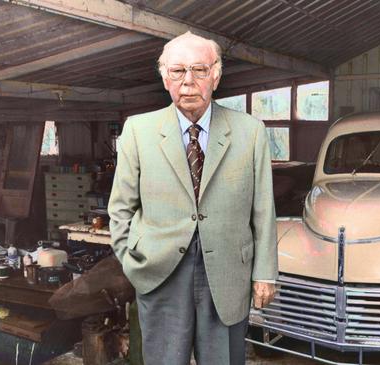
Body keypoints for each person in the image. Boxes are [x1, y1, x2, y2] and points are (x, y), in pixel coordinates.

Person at [108, 31, 278, 364]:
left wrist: (265, 273)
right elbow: (120, 209)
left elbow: (263, 209)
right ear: (164, 76)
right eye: (178, 71)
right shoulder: (138, 131)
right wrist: (133, 262)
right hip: (160, 270)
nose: (188, 82)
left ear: (216, 75)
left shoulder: (250, 131)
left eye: (199, 70)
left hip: (227, 270)